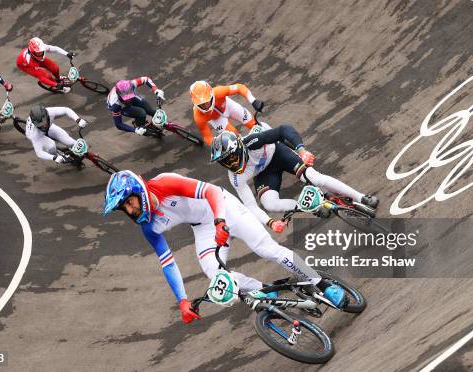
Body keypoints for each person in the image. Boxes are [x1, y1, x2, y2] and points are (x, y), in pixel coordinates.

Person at [102, 170, 347, 324]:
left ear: (139, 192)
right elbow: (167, 262)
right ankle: (264, 290)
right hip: (203, 227)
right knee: (216, 275)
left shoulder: (165, 183)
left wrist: (220, 220)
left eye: (129, 203)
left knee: (267, 250)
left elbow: (209, 191)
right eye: (124, 209)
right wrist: (182, 300)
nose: (130, 211)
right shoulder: (148, 226)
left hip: (223, 207)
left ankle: (322, 284)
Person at [211, 123, 379, 233]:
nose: (230, 164)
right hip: (265, 174)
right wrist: (270, 223)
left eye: (231, 157)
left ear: (240, 148)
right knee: (270, 204)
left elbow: (283, 130)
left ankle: (361, 197)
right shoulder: (235, 177)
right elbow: (251, 206)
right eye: (224, 162)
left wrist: (301, 150)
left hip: (278, 154)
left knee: (316, 178)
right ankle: (312, 206)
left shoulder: (251, 141)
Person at [189, 80, 264, 145]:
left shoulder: (219, 91)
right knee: (235, 140)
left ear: (212, 95)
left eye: (207, 102)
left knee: (252, 123)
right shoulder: (198, 117)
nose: (206, 106)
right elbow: (208, 138)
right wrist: (217, 148)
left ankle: (267, 137)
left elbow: (239, 87)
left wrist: (253, 100)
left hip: (228, 107)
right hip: (217, 120)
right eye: (202, 105)